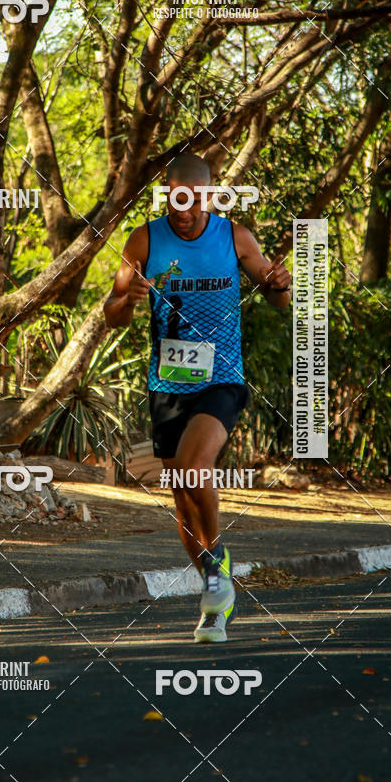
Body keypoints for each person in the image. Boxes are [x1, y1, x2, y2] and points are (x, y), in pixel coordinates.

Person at [104, 154, 291, 642]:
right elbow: (112, 313)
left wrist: (279, 287)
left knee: (193, 465)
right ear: (167, 192)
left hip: (221, 378)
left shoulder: (235, 237)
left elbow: (277, 296)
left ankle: (217, 561)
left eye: (191, 199)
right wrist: (127, 299)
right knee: (181, 499)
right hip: (167, 385)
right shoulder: (144, 239)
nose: (181, 209)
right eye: (173, 197)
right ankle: (215, 599)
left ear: (208, 196)